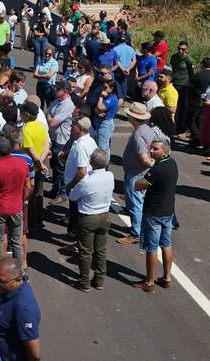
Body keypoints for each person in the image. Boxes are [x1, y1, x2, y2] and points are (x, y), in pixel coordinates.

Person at [133, 140, 178, 293]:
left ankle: (150, 282)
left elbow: (139, 185)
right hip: (168, 211)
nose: (151, 151)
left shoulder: (157, 170)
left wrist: (137, 180)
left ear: (165, 152)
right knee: (166, 244)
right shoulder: (172, 163)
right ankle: (166, 278)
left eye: (155, 149)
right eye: (151, 148)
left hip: (154, 213)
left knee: (151, 248)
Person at [69, 149, 113, 292]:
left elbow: (73, 197)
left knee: (85, 251)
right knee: (101, 250)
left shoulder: (86, 181)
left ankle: (84, 281)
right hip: (104, 215)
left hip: (88, 217)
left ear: (91, 162)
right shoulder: (110, 176)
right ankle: (99, 280)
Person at [118, 103, 160, 245]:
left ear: (132, 117)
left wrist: (151, 163)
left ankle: (136, 233)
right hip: (138, 171)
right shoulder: (146, 129)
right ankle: (139, 229)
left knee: (135, 203)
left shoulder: (138, 134)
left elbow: (143, 158)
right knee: (139, 202)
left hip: (136, 173)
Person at [0, 136, 30, 268]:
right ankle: (19, 270)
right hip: (17, 208)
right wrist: (22, 200)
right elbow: (28, 186)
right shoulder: (22, 163)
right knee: (16, 242)